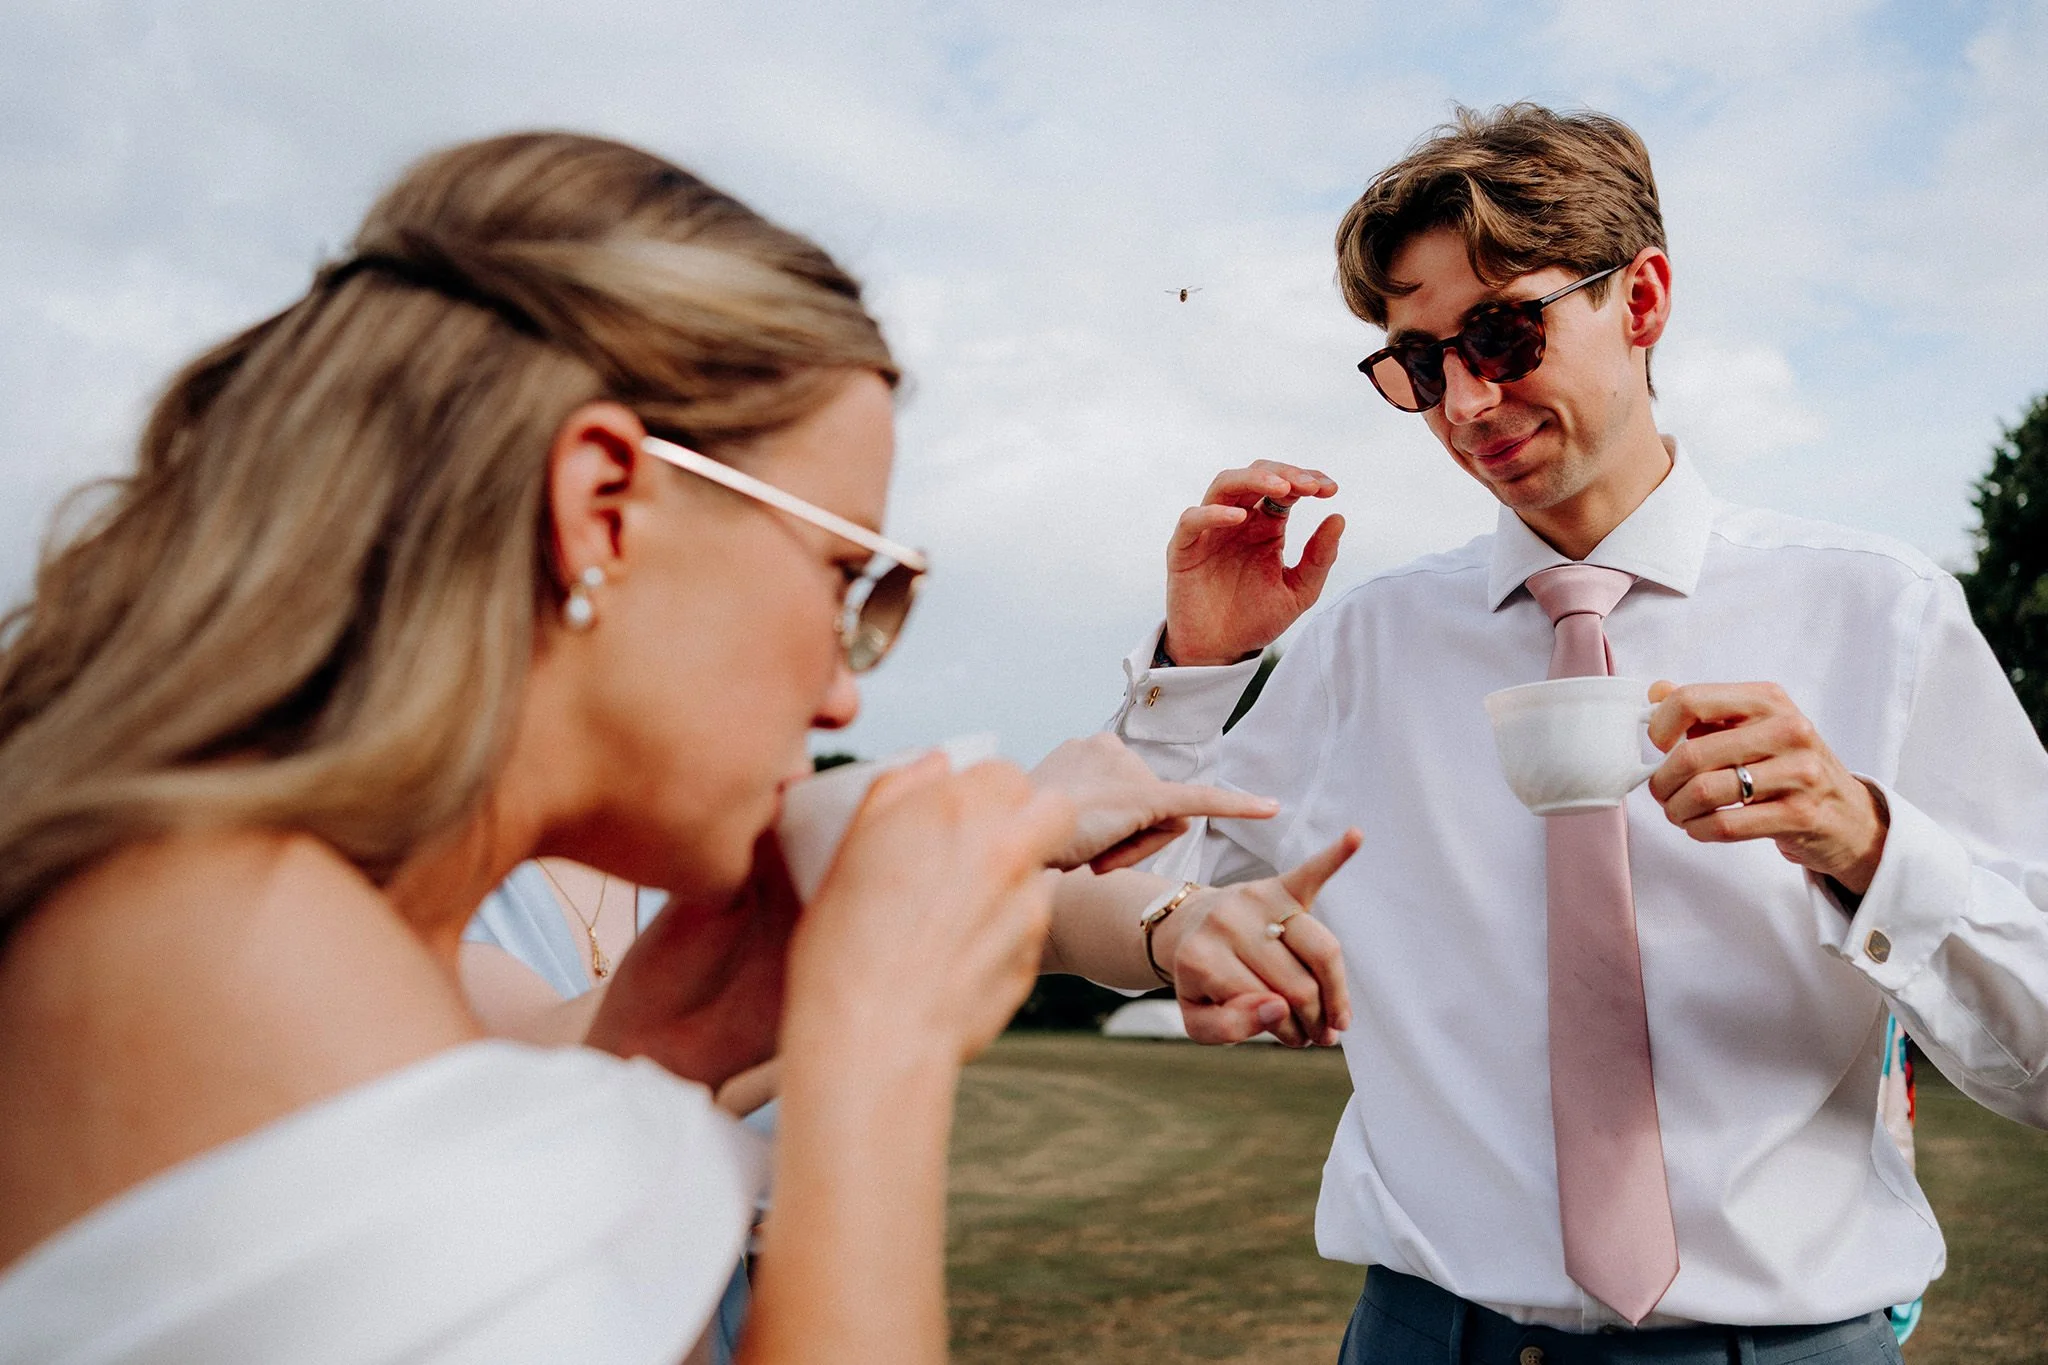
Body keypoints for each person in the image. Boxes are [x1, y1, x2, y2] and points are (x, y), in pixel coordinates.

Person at [0, 131, 1355, 1364]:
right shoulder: (234, 954)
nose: (841, 695)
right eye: (848, 581)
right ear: (601, 507)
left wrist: (682, 1034)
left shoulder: (277, 906)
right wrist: (870, 1049)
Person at [1110, 103, 2048, 1363]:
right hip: (1418, 1338)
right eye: (1419, 364)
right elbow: (1132, 916)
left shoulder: (1880, 612)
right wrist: (1194, 670)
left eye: (1502, 331)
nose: (1466, 400)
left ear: (1642, 300)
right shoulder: (1359, 642)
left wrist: (1866, 840)